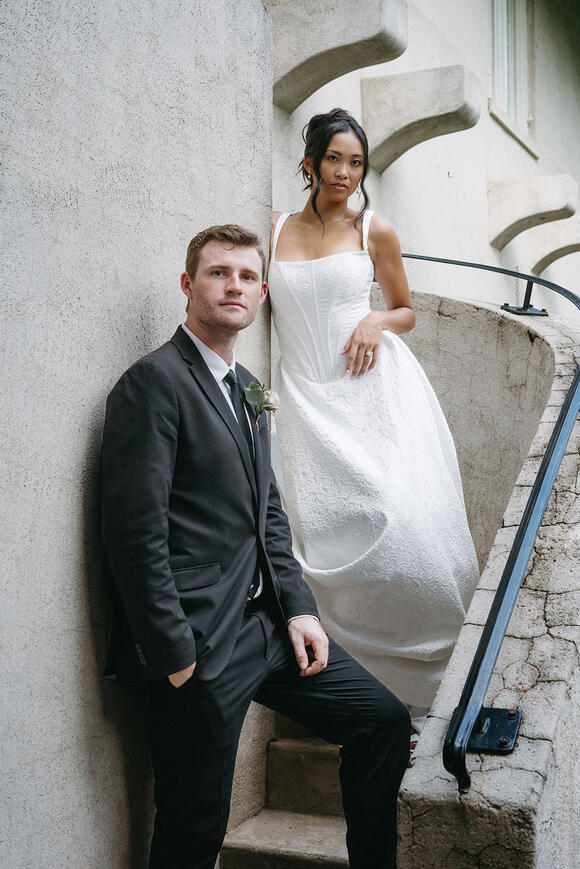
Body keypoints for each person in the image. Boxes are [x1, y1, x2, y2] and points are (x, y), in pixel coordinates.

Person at [100, 224, 410, 869]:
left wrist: (299, 609)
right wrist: (175, 654)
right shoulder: (153, 383)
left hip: (268, 628)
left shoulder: (245, 386)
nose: (233, 286)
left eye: (246, 276)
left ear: (263, 292)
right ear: (188, 286)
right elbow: (134, 533)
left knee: (380, 720)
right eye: (218, 273)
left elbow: (268, 511)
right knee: (194, 826)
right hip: (200, 644)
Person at [268, 108, 480, 733]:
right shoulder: (274, 229)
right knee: (316, 535)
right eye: (334, 158)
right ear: (309, 160)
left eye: (356, 162)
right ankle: (347, 691)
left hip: (366, 389)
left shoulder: (373, 231)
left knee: (400, 522)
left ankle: (425, 682)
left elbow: (406, 309)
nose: (344, 172)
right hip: (303, 397)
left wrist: (373, 320)